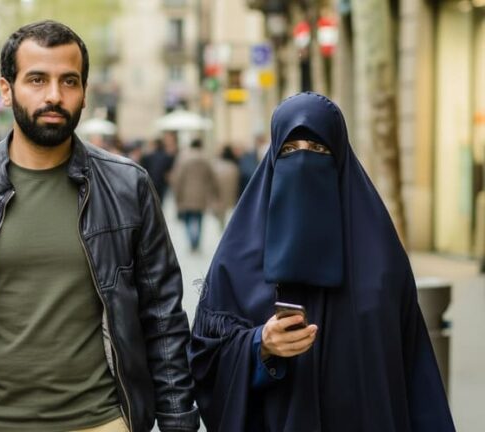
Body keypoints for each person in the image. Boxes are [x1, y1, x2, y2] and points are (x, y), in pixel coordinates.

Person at [0, 20, 198, 432]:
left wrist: (178, 420)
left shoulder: (128, 187)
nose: (54, 95)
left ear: (84, 93)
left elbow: (162, 318)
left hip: (100, 422)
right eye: (37, 79)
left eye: (68, 81)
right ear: (6, 89)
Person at [187, 92, 455, 431]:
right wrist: (260, 346)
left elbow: (415, 371)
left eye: (317, 149)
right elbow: (205, 362)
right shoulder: (238, 258)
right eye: (289, 149)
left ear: (340, 157)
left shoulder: (382, 261)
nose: (303, 160)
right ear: (272, 157)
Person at [170, 138, 218, 251]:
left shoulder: (182, 158)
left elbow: (178, 178)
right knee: (199, 219)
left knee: (187, 219)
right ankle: (196, 241)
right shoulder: (206, 158)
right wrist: (214, 193)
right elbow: (212, 177)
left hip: (186, 194)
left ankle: (192, 240)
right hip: (202, 194)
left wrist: (177, 196)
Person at [209, 144, 239, 227]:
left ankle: (222, 227)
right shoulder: (234, 167)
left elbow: (212, 183)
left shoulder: (216, 166)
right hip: (231, 195)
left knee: (222, 214)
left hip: (220, 194)